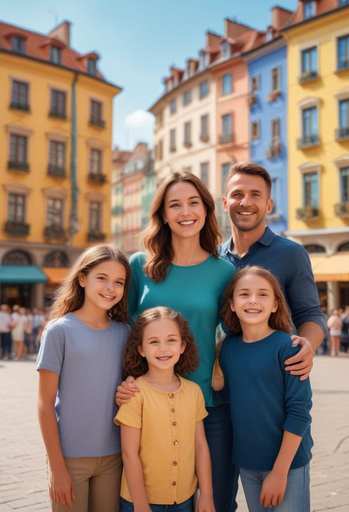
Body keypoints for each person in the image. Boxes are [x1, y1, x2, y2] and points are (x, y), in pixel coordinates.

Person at [118, 171, 237, 511]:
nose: (185, 212)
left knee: (214, 501)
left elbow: (235, 334)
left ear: (206, 209)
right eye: (175, 205)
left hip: (205, 404)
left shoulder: (224, 271)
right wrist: (126, 380)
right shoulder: (140, 266)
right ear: (163, 215)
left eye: (193, 203)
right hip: (146, 402)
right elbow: (124, 331)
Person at [37, 244, 131, 512]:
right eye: (102, 278)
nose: (109, 288)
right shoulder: (59, 332)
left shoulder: (125, 332)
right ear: (82, 279)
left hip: (114, 457)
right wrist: (57, 468)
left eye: (119, 282)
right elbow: (44, 406)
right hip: (69, 458)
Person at [213, 266, 313, 511]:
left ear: (276, 304)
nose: (253, 301)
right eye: (244, 294)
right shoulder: (227, 349)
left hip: (288, 465)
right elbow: (225, 396)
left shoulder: (288, 347)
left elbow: (300, 412)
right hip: (247, 465)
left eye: (263, 294)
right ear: (233, 304)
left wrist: (280, 472)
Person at [219, 162, 326, 372]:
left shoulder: (291, 254)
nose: (245, 202)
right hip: (220, 382)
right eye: (237, 194)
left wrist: (307, 346)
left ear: (269, 205)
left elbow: (311, 314)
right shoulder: (214, 258)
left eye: (255, 195)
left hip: (275, 379)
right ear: (225, 203)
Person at [115, 307, 214, 512]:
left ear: (183, 346)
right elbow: (129, 453)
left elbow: (201, 446)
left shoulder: (194, 392)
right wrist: (141, 505)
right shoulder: (134, 394)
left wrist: (206, 494)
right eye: (153, 342)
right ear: (141, 349)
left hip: (184, 501)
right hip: (140, 501)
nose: (163, 349)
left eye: (171, 340)